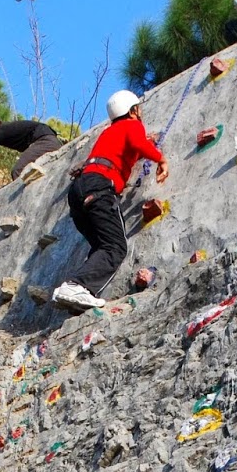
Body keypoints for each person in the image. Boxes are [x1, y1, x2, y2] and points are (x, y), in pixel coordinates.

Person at [51, 91, 167, 314]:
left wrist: (144, 147)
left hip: (79, 191)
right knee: (115, 246)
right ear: (132, 111)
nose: (140, 112)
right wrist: (160, 159)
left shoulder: (109, 132)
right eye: (138, 108)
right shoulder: (132, 125)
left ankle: (79, 297)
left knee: (101, 246)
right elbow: (137, 143)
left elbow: (125, 153)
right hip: (100, 187)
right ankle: (76, 286)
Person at [0, 114, 66, 207]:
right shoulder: (6, 130)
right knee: (26, 170)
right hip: (50, 141)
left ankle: (31, 202)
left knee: (18, 170)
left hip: (44, 141)